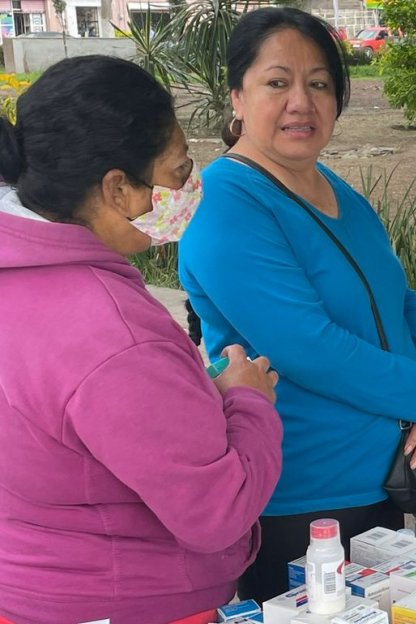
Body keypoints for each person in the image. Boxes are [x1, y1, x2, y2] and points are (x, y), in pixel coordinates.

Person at [178, 8, 416, 603]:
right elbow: (306, 346)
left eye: (319, 84)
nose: (301, 102)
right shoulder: (227, 203)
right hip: (301, 497)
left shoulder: (341, 192)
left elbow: (403, 302)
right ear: (237, 96)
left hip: (385, 482)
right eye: (277, 82)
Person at [0, 56, 282, 624]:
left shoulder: (17, 275)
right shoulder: (112, 333)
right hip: (129, 602)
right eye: (179, 170)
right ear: (118, 187)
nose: (189, 185)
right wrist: (247, 402)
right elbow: (215, 512)